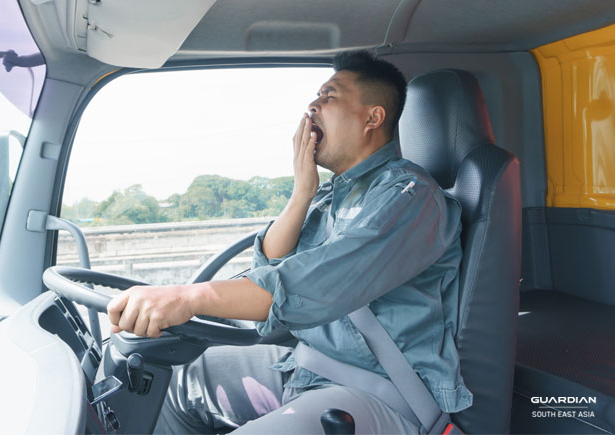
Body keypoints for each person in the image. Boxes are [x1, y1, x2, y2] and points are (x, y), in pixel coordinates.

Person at [106, 50, 472, 434]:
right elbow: (270, 272)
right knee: (182, 381)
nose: (311, 107)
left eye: (329, 96)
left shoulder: (410, 198)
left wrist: (187, 297)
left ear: (372, 117)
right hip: (306, 367)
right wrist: (301, 194)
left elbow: (310, 286)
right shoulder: (332, 196)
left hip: (380, 393)